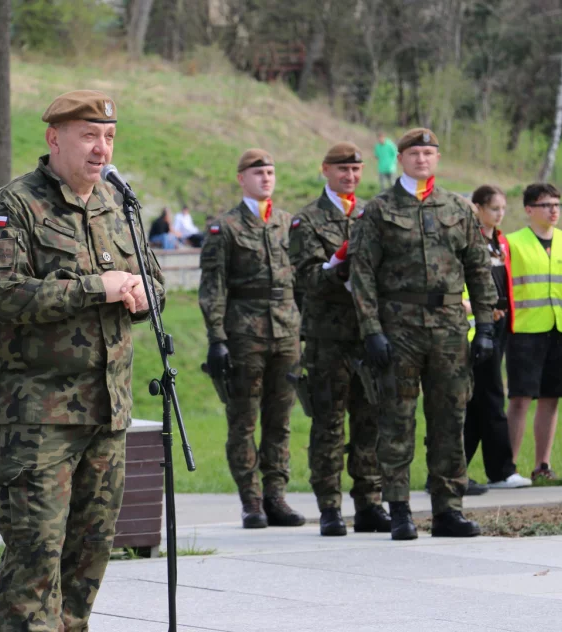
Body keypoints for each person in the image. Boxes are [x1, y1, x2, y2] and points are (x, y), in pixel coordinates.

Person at [0, 90, 163, 631]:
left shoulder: (117, 205)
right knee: (35, 561)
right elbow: (0, 295)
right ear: (54, 139)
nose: (101, 149)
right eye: (88, 136)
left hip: (106, 415)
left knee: (88, 561)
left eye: (108, 137)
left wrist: (147, 296)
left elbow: (154, 282)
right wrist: (93, 289)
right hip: (39, 418)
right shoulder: (14, 206)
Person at [349, 127, 496, 540]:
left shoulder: (458, 208)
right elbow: (361, 274)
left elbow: (479, 270)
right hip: (400, 327)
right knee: (396, 419)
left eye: (428, 152)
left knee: (450, 418)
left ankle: (448, 509)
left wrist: (484, 325)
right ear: (400, 159)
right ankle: (398, 509)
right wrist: (371, 330)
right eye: (414, 153)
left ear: (437, 158)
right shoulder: (379, 210)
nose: (422, 159)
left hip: (450, 326)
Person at [198, 148, 305, 529]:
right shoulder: (224, 227)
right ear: (242, 178)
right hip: (244, 335)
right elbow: (213, 288)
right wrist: (217, 338)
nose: (265, 178)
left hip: (286, 332)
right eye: (257, 172)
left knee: (280, 420)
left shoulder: (288, 223)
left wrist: (304, 327)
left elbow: (301, 281)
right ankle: (252, 501)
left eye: (270, 172)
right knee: (243, 420)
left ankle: (276, 497)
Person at [288, 141, 391, 537]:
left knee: (370, 423)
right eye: (342, 170)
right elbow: (307, 279)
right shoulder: (308, 220)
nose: (350, 176)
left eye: (356, 170)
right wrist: (338, 264)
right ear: (325, 170)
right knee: (329, 426)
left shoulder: (372, 214)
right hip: (328, 337)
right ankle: (329, 507)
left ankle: (369, 503)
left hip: (368, 334)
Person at [505, 183, 562, 483]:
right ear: (528, 210)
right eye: (546, 205)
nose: (553, 210)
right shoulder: (512, 243)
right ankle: (508, 467)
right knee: (520, 398)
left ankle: (543, 465)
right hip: (524, 329)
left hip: (561, 328)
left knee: (552, 398)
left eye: (557, 205)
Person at [464, 186, 532, 490]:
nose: (500, 214)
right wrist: (480, 311)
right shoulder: (469, 240)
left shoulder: (500, 241)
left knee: (482, 400)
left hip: (500, 326)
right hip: (475, 328)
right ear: (478, 208)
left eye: (503, 208)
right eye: (494, 208)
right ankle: (501, 470)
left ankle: (458, 469)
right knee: (488, 398)